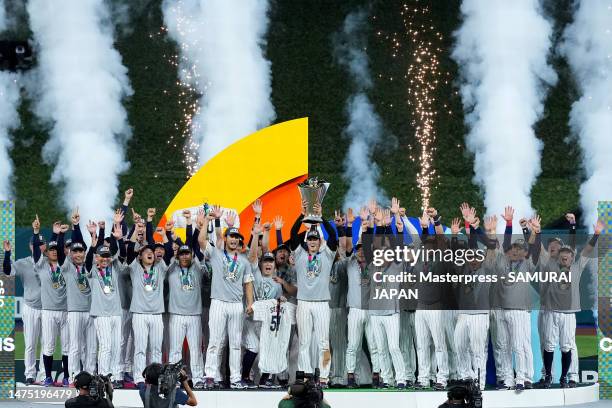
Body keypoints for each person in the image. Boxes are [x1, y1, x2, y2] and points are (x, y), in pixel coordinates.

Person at [198, 205, 255, 389]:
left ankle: (236, 378)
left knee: (236, 344)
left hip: (236, 305)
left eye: (237, 237)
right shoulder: (216, 254)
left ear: (239, 241)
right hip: (218, 303)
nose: (234, 240)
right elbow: (201, 240)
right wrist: (207, 219)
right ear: (226, 238)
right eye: (231, 236)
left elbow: (248, 283)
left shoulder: (244, 261)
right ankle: (210, 376)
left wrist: (250, 303)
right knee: (215, 341)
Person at [289, 201, 337, 386]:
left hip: (322, 303)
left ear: (320, 241)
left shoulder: (328, 254)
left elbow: (333, 235)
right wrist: (302, 216)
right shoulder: (300, 254)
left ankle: (324, 376)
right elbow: (293, 234)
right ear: (306, 241)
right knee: (304, 343)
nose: (313, 242)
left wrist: (322, 218)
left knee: (324, 342)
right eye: (310, 239)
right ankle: (306, 375)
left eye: (315, 239)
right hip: (303, 302)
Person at [3, 217, 45, 385]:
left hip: (49, 308)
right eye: (37, 244)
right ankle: (30, 374)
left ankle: (44, 375)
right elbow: (7, 271)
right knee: (30, 343)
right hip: (31, 307)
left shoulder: (50, 262)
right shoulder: (22, 263)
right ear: (31, 246)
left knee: (47, 344)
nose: (40, 246)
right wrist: (7, 253)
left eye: (42, 244)